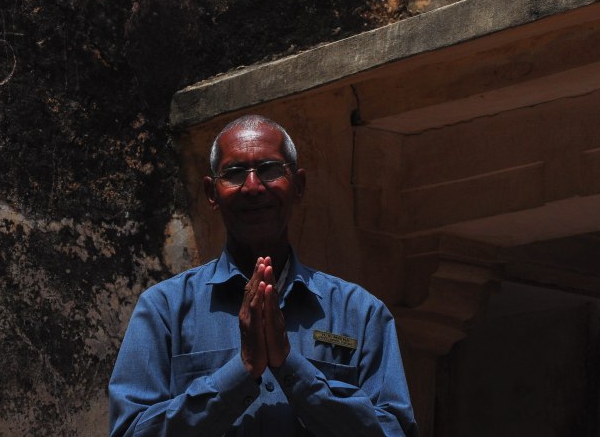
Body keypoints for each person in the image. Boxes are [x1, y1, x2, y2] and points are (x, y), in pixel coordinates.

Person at [109, 115, 418, 436]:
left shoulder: (361, 313)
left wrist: (290, 367)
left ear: (298, 186)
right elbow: (131, 431)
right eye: (234, 173)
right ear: (211, 192)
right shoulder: (164, 309)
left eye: (270, 169)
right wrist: (240, 371)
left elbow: (395, 431)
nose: (253, 186)